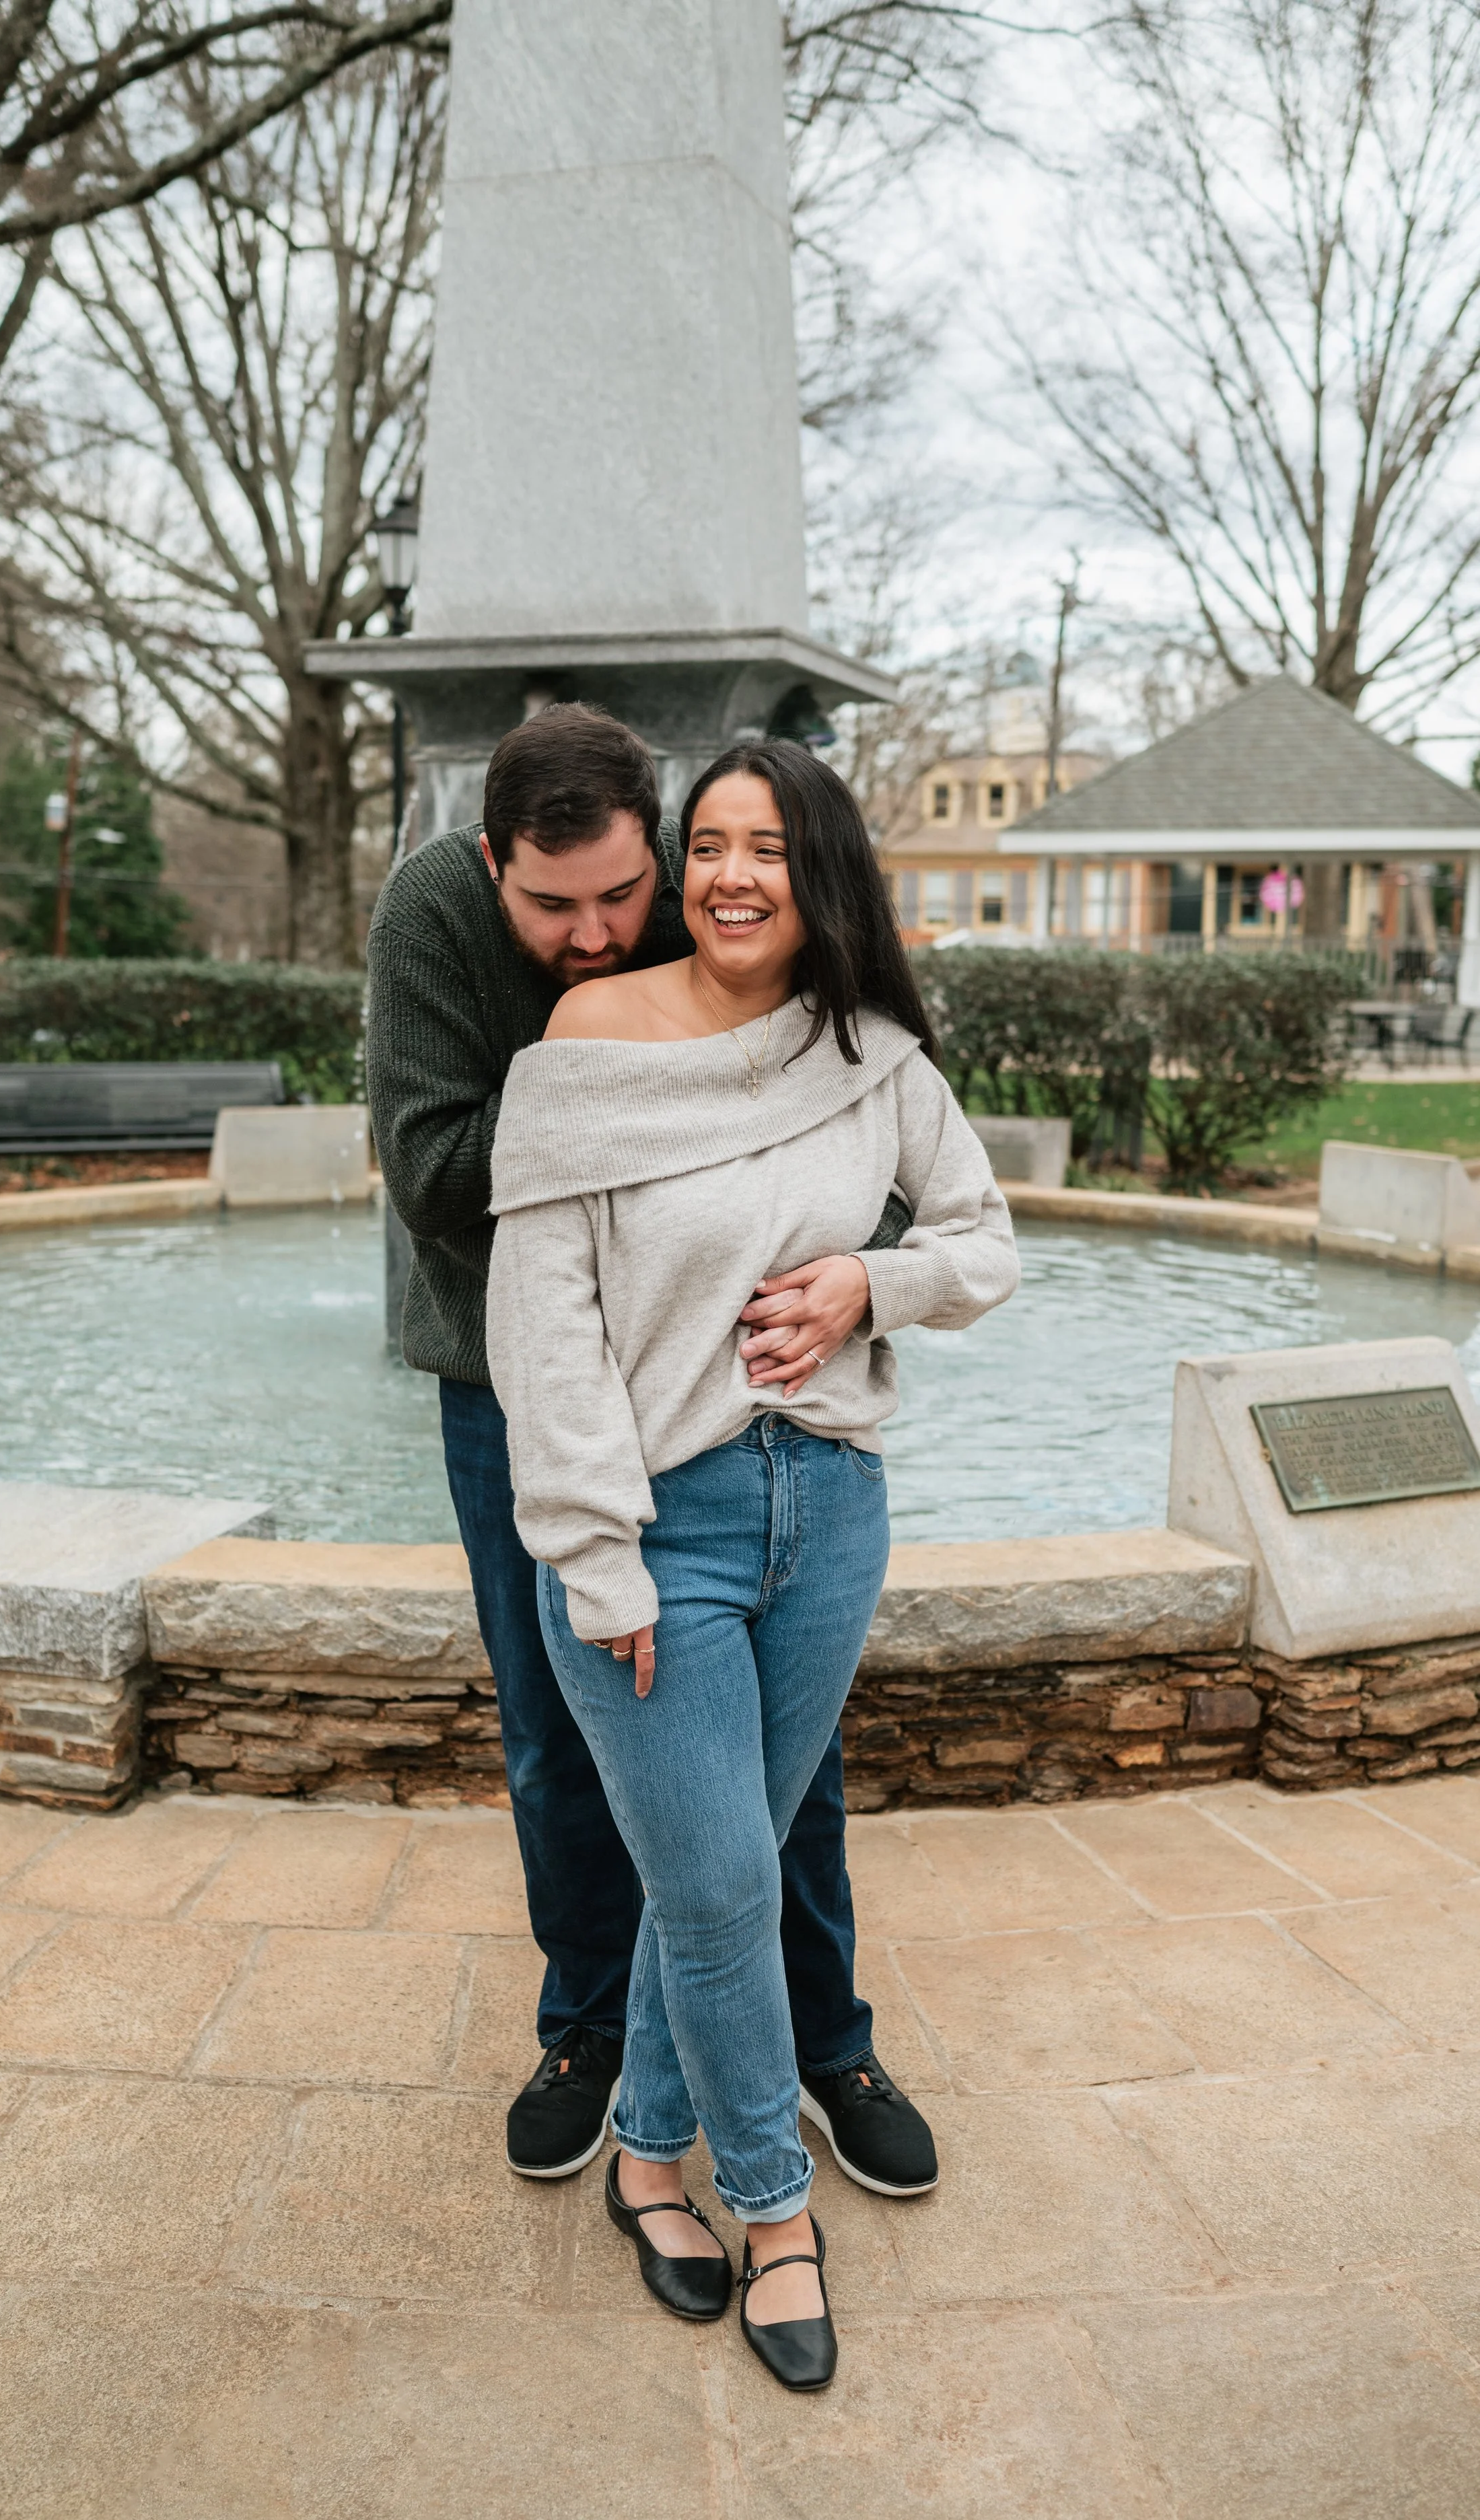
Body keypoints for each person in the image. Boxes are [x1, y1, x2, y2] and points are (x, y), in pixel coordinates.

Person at [485, 738, 1018, 2389]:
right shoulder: (587, 1038)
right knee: (717, 1889)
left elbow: (982, 1243)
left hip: (830, 1514)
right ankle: (772, 2211)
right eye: (705, 844)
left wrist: (871, 1283)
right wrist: (594, 1557)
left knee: (711, 1874)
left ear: (818, 872)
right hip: (660, 1530)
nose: (728, 874)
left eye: (764, 847)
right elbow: (544, 1324)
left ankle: (648, 2159)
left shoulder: (870, 1060)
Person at [366, 703, 941, 2197]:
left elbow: (848, 1135)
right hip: (509, 1378)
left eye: (625, 893)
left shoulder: (719, 901)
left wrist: (846, 1275)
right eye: (550, 906)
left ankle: (824, 2037)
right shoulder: (434, 914)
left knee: (777, 1756)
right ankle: (589, 2034)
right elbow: (434, 1174)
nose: (599, 932)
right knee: (563, 1734)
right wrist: (608, 1101)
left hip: (733, 1392)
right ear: (488, 861)